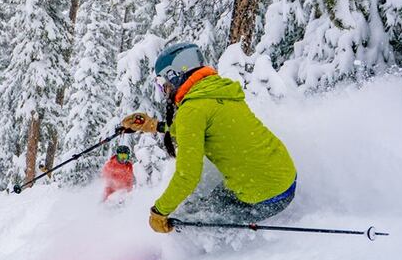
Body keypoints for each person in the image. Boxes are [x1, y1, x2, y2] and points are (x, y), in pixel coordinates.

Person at [120, 43, 297, 233]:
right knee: (208, 202)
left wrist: (159, 212)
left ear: (175, 75)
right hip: (284, 177)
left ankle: (206, 251)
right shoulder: (218, 91)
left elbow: (187, 176)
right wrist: (153, 126)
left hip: (266, 196)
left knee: (192, 222)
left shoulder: (192, 110)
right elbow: (196, 127)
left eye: (163, 83)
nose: (164, 90)